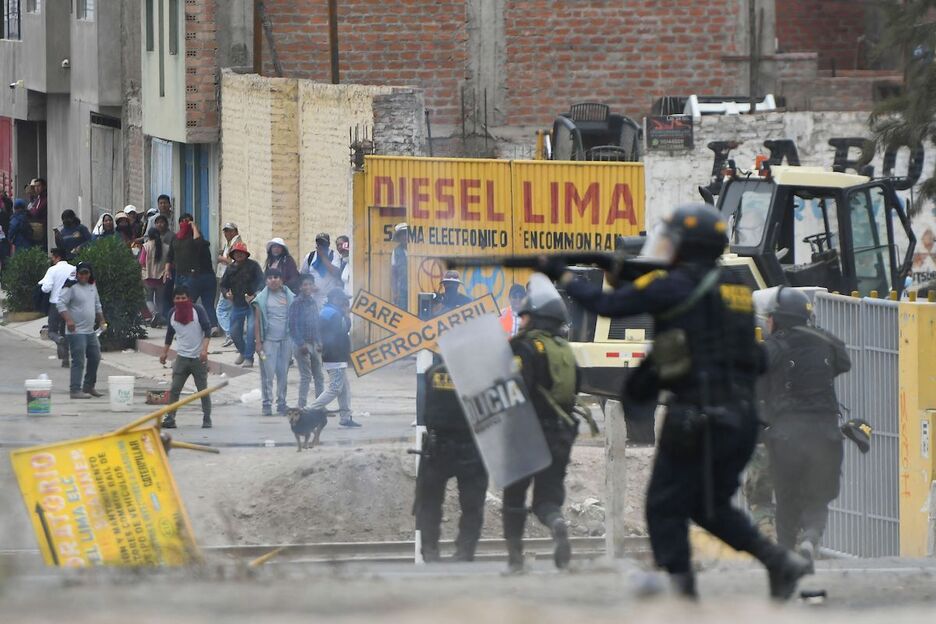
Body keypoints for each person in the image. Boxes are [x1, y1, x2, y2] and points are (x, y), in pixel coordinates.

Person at [554, 203, 811, 600]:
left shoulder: (677, 286)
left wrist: (562, 275)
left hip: (697, 417)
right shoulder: (737, 291)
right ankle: (780, 562)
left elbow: (606, 305)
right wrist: (617, 267)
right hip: (739, 419)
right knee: (710, 508)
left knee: (663, 507)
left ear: (687, 248)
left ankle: (683, 599)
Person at [760, 287, 851, 569]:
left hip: (786, 435)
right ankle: (811, 538)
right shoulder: (825, 341)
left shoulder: (773, 347)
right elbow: (844, 361)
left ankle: (786, 555)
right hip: (825, 433)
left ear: (780, 319)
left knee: (786, 499)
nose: (768, 323)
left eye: (771, 318)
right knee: (818, 497)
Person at [501, 276, 579, 572]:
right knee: (547, 499)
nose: (521, 321)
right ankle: (557, 523)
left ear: (537, 318)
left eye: (526, 316)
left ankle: (516, 560)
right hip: (561, 435)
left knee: (515, 497)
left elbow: (515, 390)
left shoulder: (525, 348)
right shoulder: (566, 351)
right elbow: (573, 394)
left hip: (527, 435)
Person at [415, 356, 488, 562]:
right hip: (472, 447)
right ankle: (465, 552)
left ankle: (429, 551)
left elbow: (425, 412)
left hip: (437, 447)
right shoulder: (481, 375)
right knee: (472, 504)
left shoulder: (432, 372)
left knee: (429, 501)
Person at [305, 288, 359, 427]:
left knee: (344, 387)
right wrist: (347, 316)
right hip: (335, 355)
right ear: (336, 299)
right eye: (344, 300)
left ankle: (345, 417)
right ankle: (310, 410)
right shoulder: (334, 314)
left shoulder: (327, 311)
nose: (346, 303)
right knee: (335, 387)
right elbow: (342, 330)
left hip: (332, 354)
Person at [160, 286, 212, 429]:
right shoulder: (172, 313)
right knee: (175, 389)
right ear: (173, 300)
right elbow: (169, 335)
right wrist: (164, 352)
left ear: (189, 299)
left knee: (203, 390)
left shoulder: (198, 311)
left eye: (183, 298)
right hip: (182, 358)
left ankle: (207, 418)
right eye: (178, 298)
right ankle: (170, 418)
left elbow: (208, 331)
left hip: (197, 358)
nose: (181, 301)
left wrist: (204, 351)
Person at [57, 262, 105, 400]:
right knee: (78, 360)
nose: (84, 276)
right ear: (77, 274)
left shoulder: (92, 286)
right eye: (81, 273)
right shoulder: (71, 287)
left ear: (90, 274)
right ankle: (75, 389)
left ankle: (88, 386)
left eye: (86, 273)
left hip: (90, 331)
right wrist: (69, 320)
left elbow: (97, 305)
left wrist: (101, 320)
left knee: (95, 356)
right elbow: (60, 303)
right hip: (76, 331)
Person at [165, 215, 219, 333]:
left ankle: (211, 327)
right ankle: (187, 326)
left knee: (195, 303)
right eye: (182, 221)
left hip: (194, 276)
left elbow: (198, 242)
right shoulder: (176, 239)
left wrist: (194, 227)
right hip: (183, 275)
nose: (185, 224)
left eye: (187, 221)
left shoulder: (198, 241)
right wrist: (167, 269)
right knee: (186, 303)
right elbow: (170, 255)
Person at [254, 268, 295, 416]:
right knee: (267, 374)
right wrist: (258, 343)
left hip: (285, 341)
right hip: (268, 342)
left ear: (282, 280)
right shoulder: (261, 298)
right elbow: (257, 322)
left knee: (283, 373)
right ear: (266, 281)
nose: (273, 280)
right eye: (270, 277)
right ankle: (266, 404)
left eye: (276, 277)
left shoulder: (289, 296)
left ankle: (281, 403)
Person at [220, 241, 264, 367]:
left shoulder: (254, 266)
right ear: (233, 255)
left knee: (251, 331)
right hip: (237, 304)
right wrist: (226, 293)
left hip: (252, 305)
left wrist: (254, 295)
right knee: (234, 332)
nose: (239, 255)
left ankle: (248, 358)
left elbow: (262, 282)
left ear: (246, 254)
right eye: (236, 253)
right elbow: (223, 285)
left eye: (241, 253)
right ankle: (243, 352)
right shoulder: (230, 269)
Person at [288, 274, 325, 408]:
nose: (308, 287)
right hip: (301, 344)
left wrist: (319, 341)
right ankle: (301, 406)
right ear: (300, 287)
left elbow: (316, 323)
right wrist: (301, 343)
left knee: (319, 376)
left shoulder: (313, 302)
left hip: (314, 343)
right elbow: (292, 325)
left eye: (310, 284)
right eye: (305, 284)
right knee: (306, 377)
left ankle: (320, 406)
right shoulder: (296, 303)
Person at [39, 248, 76, 368]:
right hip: (69, 304)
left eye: (53, 258)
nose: (52, 260)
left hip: (56, 304)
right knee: (65, 331)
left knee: (52, 332)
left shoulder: (52, 270)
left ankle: (58, 339)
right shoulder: (73, 269)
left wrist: (42, 287)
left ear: (57, 257)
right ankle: (65, 360)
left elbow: (47, 288)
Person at [215, 222, 242, 347]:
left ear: (235, 231)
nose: (226, 234)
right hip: (230, 280)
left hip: (231, 281)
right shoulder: (229, 244)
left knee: (221, 309)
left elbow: (233, 261)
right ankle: (232, 335)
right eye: (225, 231)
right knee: (230, 310)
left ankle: (231, 334)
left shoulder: (236, 244)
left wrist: (221, 258)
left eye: (229, 231)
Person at [300, 233, 343, 308]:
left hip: (329, 298)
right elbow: (303, 275)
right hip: (312, 297)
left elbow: (335, 273)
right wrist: (310, 286)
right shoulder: (310, 256)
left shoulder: (334, 255)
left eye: (323, 243)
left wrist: (323, 257)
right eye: (319, 243)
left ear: (328, 244)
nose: (321, 245)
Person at [140, 228, 171, 327]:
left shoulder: (146, 246)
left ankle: (154, 313)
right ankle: (159, 319)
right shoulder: (166, 247)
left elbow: (142, 262)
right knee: (159, 300)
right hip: (161, 278)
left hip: (148, 277)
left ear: (149, 236)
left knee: (148, 299)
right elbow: (169, 261)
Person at [391, 223, 408, 309]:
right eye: (402, 234)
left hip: (417, 287)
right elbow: (394, 274)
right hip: (402, 289)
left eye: (406, 234)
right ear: (399, 237)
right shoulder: (396, 252)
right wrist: (395, 292)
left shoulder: (417, 249)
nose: (405, 237)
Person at [27, 177, 47, 250]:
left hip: (43, 227)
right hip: (37, 229)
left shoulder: (45, 199)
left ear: (44, 186)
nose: (36, 188)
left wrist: (32, 211)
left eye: (38, 186)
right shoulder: (37, 199)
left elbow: (37, 212)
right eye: (35, 186)